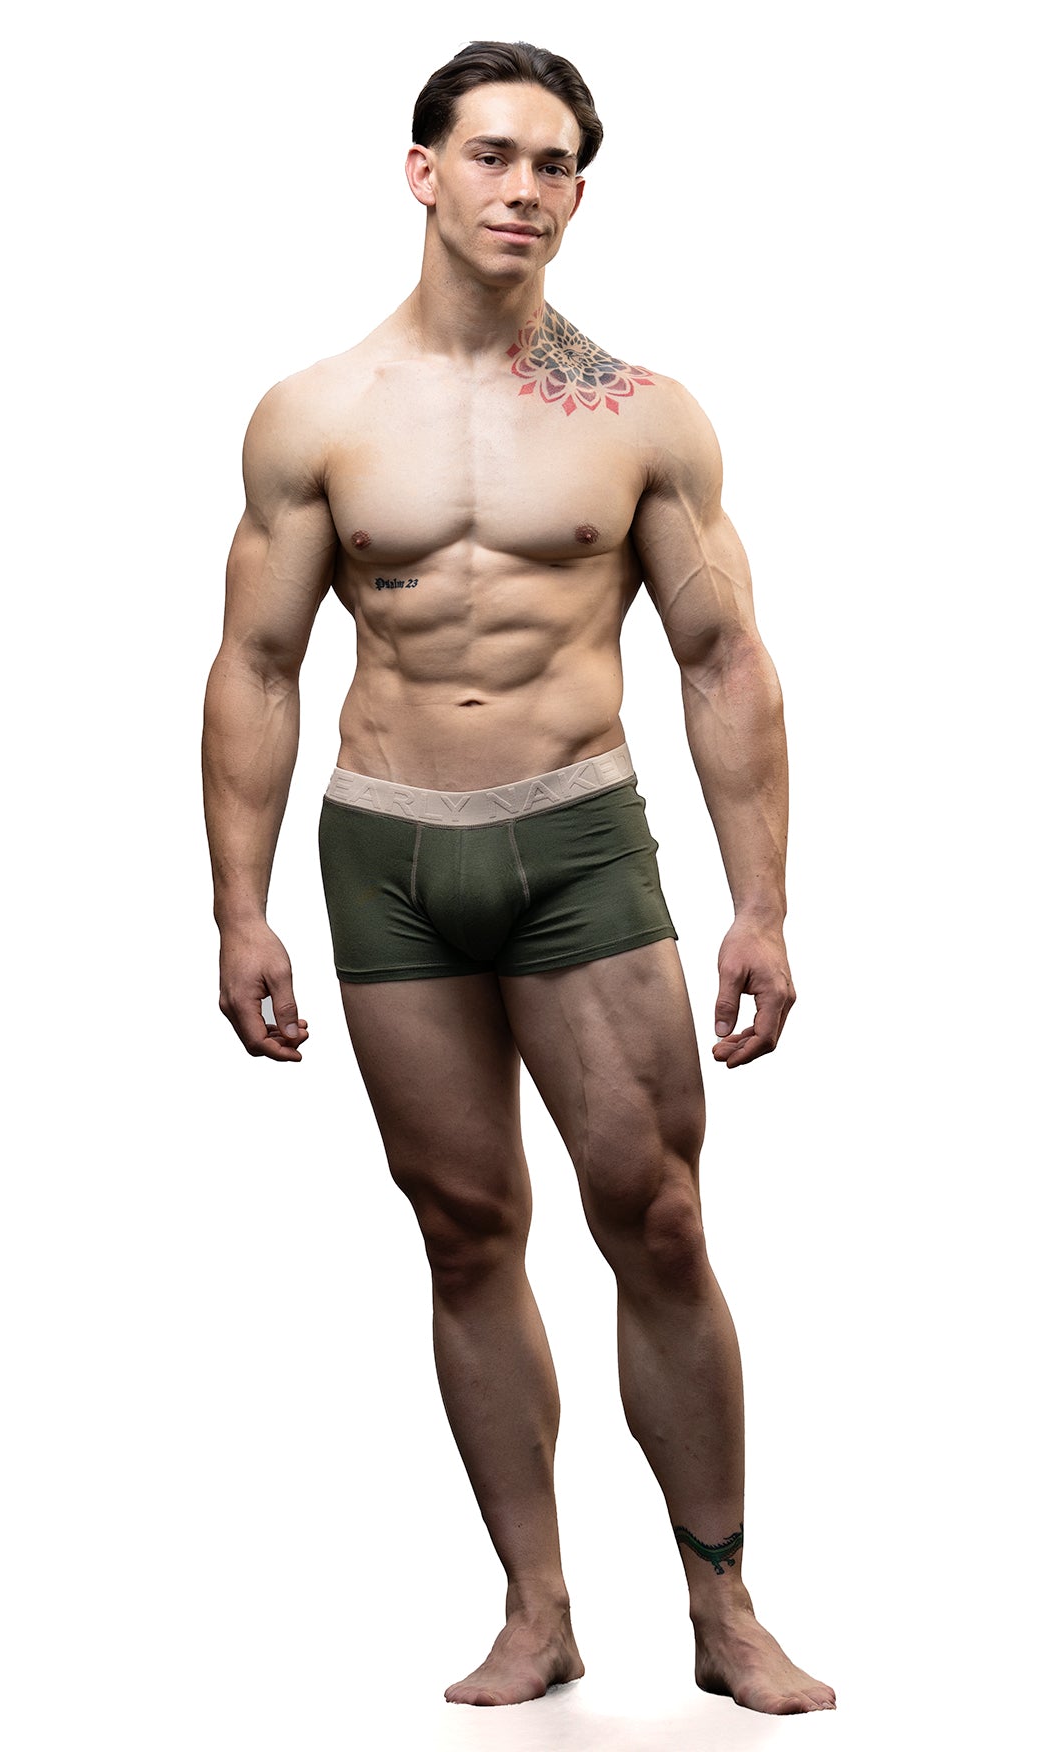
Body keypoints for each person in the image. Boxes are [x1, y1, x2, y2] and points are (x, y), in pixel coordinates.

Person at [201, 39, 835, 1716]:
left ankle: (722, 1608)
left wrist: (761, 903)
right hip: (385, 850)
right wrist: (238, 908)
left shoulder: (639, 417)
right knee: (464, 1227)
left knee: (658, 1218)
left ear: (577, 195)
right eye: (491, 155)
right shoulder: (315, 415)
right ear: (422, 172)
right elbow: (256, 663)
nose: (523, 189)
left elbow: (722, 658)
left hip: (573, 841)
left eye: (554, 164)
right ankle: (536, 1610)